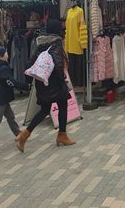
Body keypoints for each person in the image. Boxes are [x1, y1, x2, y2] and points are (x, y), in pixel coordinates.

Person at [15, 19, 75, 153]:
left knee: (44, 110)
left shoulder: (40, 42)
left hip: (42, 82)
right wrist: (63, 82)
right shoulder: (56, 44)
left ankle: (25, 134)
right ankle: (62, 135)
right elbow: (59, 65)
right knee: (63, 105)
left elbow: (30, 63)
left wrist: (30, 82)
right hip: (55, 83)